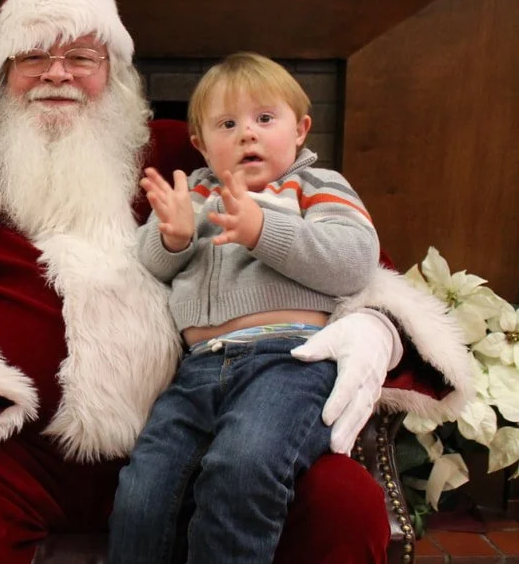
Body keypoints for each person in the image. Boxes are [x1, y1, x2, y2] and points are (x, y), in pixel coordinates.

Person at [0, 0, 472, 564]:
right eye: (34, 57)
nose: (58, 74)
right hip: (14, 456)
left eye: (82, 55)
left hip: (206, 435)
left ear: (115, 74)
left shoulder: (185, 157)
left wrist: (375, 324)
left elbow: (351, 248)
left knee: (338, 500)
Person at [109, 53, 389, 563]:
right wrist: (171, 237)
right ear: (200, 143)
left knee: (243, 465)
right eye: (227, 124)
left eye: (265, 119)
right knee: (143, 487)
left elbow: (353, 262)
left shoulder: (317, 187)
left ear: (300, 129)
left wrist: (263, 231)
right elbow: (150, 266)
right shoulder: (193, 195)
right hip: (197, 371)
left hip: (289, 362)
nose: (247, 135)